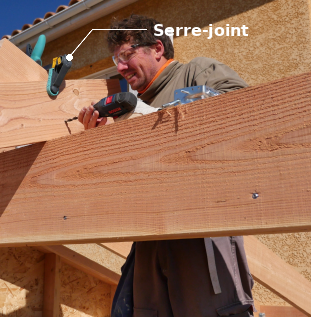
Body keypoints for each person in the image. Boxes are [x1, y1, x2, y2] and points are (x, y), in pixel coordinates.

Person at [78, 14, 255, 317]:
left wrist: (146, 116)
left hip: (201, 234)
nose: (120, 67)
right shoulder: (123, 110)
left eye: (126, 55)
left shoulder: (194, 72)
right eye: (115, 59)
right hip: (150, 237)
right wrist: (101, 140)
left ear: (157, 48)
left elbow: (245, 110)